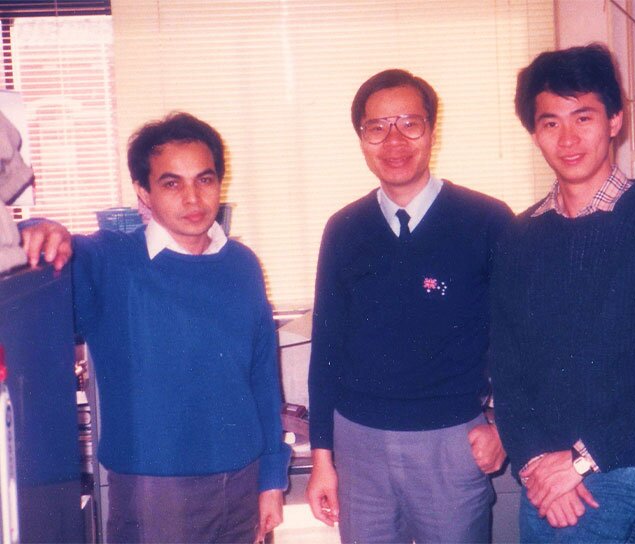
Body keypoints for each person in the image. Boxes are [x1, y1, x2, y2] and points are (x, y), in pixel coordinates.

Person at [21, 112, 290, 543]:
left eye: (204, 180)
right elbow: (43, 250)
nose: (192, 198)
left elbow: (262, 378)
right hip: (155, 494)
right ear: (143, 193)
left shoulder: (243, 265)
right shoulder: (111, 260)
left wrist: (271, 479)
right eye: (171, 183)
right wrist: (36, 228)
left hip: (243, 483)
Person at [490, 44, 635, 543]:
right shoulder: (519, 237)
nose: (568, 138)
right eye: (550, 123)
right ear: (534, 133)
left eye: (583, 117)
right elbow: (507, 372)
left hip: (626, 467)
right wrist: (534, 461)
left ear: (615, 120)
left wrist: (577, 461)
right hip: (544, 475)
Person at [305, 69, 513, 543]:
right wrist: (322, 459)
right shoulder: (343, 229)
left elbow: (521, 338)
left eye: (409, 124)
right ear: (361, 139)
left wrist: (505, 424)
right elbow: (327, 350)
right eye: (377, 127)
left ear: (432, 130)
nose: (394, 141)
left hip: (452, 442)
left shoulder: (486, 220)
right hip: (358, 447)